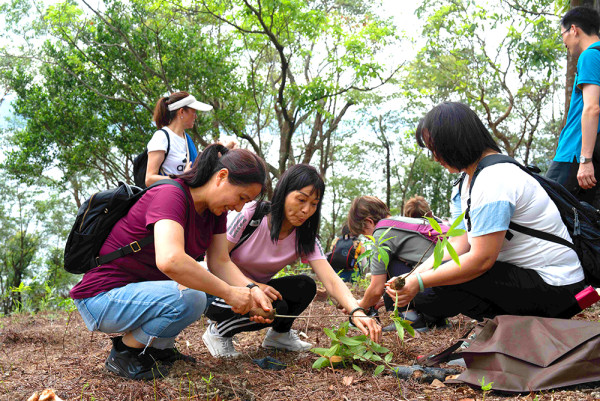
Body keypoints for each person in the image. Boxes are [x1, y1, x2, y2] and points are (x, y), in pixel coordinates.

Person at [70, 144, 274, 380]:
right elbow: (170, 260)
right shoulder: (172, 195)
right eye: (241, 197)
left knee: (204, 285)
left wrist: (252, 289)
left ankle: (159, 348)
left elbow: (220, 262)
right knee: (192, 296)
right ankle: (125, 351)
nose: (239, 207)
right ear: (222, 176)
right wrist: (230, 293)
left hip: (136, 292)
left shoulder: (214, 212)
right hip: (102, 297)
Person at [386, 102, 586, 323]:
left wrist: (420, 282)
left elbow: (482, 260)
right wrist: (412, 276)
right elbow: (458, 245)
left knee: (440, 287)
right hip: (527, 278)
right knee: (431, 290)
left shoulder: (494, 179)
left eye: (436, 148)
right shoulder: (466, 183)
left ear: (455, 141)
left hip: (558, 285)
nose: (435, 157)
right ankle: (508, 332)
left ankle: (515, 332)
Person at [201, 164, 382, 358]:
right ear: (283, 193)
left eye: (313, 204)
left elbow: (330, 279)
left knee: (304, 285)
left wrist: (356, 310)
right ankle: (218, 332)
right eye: (301, 200)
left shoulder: (305, 237)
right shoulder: (251, 215)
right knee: (277, 307)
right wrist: (254, 286)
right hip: (218, 290)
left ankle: (279, 336)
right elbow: (215, 261)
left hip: (257, 290)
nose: (306, 210)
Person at [346, 196, 449, 332]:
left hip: (436, 294)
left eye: (364, 234)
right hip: (453, 290)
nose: (367, 239)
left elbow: (376, 288)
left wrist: (359, 308)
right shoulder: (404, 223)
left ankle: (410, 318)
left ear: (369, 222)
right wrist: (383, 300)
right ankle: (435, 319)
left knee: (386, 260)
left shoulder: (381, 232)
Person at [546, 6, 600, 209]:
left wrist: (585, 160)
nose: (563, 42)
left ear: (574, 30)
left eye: (563, 34)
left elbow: (592, 108)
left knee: (544, 212)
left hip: (575, 154)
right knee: (583, 222)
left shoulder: (590, 56)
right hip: (587, 154)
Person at [145, 91, 213, 186]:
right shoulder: (161, 137)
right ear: (181, 111)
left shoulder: (187, 139)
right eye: (194, 111)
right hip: (168, 197)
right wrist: (180, 179)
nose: (195, 116)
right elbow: (149, 179)